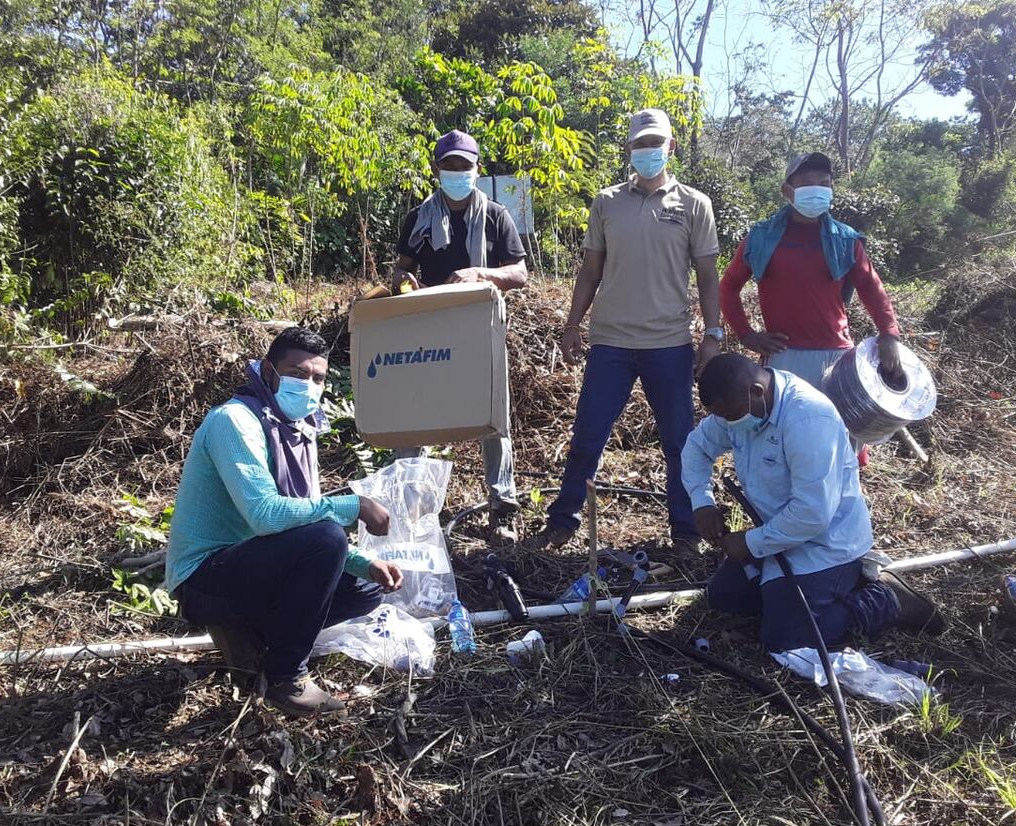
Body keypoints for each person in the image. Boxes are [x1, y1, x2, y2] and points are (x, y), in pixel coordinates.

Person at [165, 327, 405, 717]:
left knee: (364, 588)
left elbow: (302, 515)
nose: (308, 385)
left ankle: (253, 639)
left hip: (256, 565)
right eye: (297, 373)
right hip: (205, 577)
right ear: (268, 371)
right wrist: (355, 505)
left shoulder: (296, 431)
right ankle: (285, 678)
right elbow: (266, 515)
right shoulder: (235, 421)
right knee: (326, 538)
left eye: (318, 378)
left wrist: (365, 563)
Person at [531, 108, 723, 552]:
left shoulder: (694, 204)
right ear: (629, 149)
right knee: (588, 436)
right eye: (639, 144)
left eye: (655, 144)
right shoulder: (607, 201)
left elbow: (709, 275)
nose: (647, 151)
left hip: (669, 344)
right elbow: (590, 269)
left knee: (680, 442)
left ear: (670, 147)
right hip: (611, 342)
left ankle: (687, 530)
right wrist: (572, 324)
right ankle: (563, 520)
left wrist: (713, 334)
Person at [681, 353, 943, 651]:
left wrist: (751, 543)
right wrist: (701, 502)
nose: (729, 424)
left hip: (825, 544)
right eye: (724, 418)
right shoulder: (738, 406)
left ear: (756, 391)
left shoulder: (808, 419)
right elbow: (696, 448)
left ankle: (887, 600)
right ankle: (807, 596)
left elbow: (812, 515)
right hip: (776, 533)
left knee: (787, 640)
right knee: (725, 598)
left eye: (732, 416)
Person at [719, 152, 903, 463]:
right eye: (806, 184)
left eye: (824, 183)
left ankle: (844, 508)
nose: (816, 190)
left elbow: (872, 288)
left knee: (843, 447)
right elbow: (728, 287)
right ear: (787, 191)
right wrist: (747, 334)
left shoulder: (845, 240)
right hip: (785, 357)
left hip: (837, 357)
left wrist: (889, 334)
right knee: (784, 443)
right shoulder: (762, 237)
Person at [390, 130, 527, 542]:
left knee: (492, 418)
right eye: (449, 166)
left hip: (480, 328)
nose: (457, 173)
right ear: (436, 169)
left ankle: (502, 508)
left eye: (464, 167)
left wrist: (481, 273)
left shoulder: (497, 216)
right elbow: (401, 268)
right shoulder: (417, 218)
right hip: (427, 330)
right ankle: (409, 510)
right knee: (416, 418)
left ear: (476, 170)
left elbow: (519, 273)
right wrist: (404, 281)